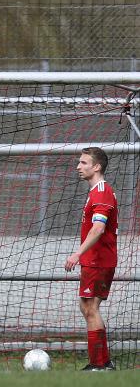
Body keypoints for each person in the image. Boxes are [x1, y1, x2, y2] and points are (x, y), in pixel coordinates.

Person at [64, 147, 117, 371]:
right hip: (95, 260)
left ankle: (99, 364)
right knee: (87, 307)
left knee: (90, 308)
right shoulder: (96, 191)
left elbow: (98, 228)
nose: (78, 166)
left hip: (98, 260)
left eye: (84, 163)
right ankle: (103, 362)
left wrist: (78, 253)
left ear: (97, 167)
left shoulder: (101, 192)